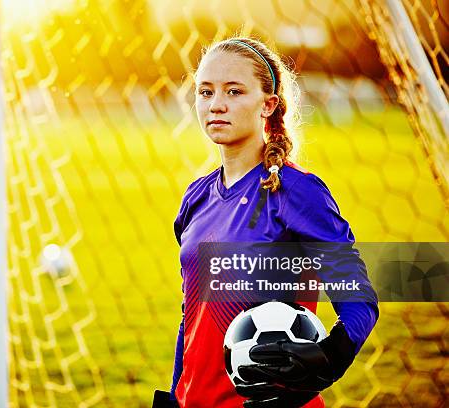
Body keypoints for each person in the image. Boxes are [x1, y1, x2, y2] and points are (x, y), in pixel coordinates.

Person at [152, 37, 379, 408]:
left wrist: (330, 357)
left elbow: (359, 299)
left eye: (234, 91)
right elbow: (191, 317)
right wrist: (177, 393)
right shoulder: (196, 198)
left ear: (268, 104)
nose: (216, 105)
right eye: (205, 92)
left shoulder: (296, 191)